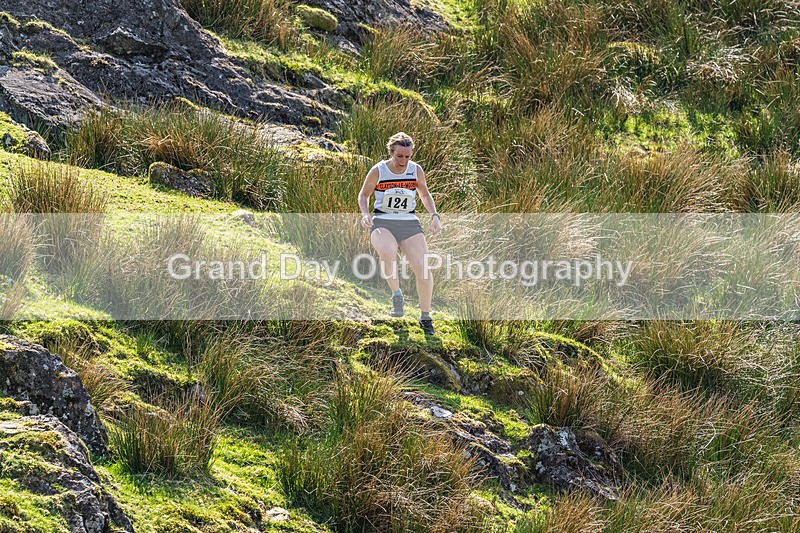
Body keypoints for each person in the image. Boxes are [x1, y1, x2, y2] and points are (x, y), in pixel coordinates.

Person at [358, 132, 442, 335]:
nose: (403, 161)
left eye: (407, 156)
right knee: (387, 251)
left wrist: (434, 215)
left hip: (408, 222)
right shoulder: (378, 171)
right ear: (391, 152)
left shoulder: (416, 170)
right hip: (382, 221)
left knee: (423, 268)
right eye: (399, 156)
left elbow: (424, 193)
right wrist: (365, 214)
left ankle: (425, 316)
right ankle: (397, 295)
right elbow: (364, 195)